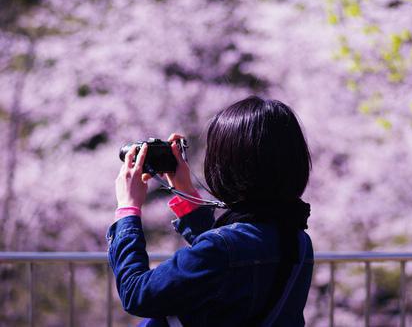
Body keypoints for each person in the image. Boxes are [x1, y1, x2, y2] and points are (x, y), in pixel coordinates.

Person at [107, 96, 314, 326]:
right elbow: (229, 259)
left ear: (229, 165)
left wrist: (128, 210)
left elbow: (136, 294)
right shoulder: (299, 243)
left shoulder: (222, 250)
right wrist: (185, 193)